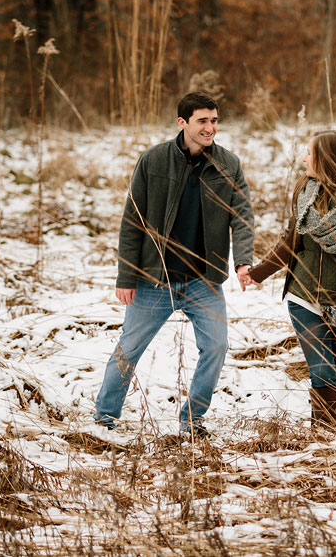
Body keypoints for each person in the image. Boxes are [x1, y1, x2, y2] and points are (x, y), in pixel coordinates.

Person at [94, 91, 254, 437]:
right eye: (202, 121)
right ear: (182, 123)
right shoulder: (153, 160)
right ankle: (104, 418)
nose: (210, 128)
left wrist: (243, 262)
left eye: (214, 121)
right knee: (128, 349)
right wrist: (126, 276)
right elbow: (131, 220)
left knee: (216, 346)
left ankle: (192, 421)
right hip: (155, 279)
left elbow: (242, 217)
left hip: (203, 280)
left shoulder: (229, 164)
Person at [245, 130, 336, 431]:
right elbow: (292, 242)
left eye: (309, 153)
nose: (303, 159)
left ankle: (323, 431)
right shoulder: (305, 191)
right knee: (323, 370)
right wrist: (258, 273)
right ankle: (327, 433)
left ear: (326, 159)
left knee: (332, 373)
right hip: (304, 295)